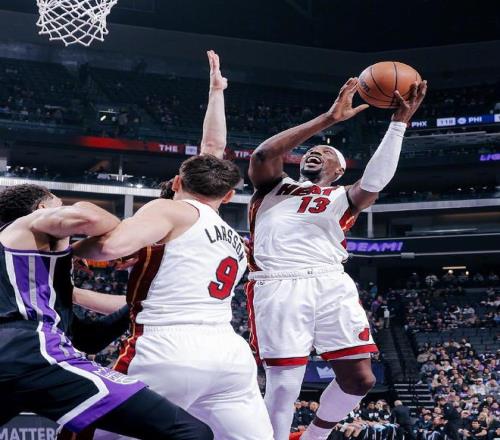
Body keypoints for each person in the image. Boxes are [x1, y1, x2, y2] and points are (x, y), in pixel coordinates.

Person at [75, 51, 274, 440]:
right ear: (228, 195)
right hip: (228, 354)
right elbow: (212, 150)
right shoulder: (233, 237)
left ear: (178, 182)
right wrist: (217, 91)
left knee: (87, 429)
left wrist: (62, 249)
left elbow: (109, 247)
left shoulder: (171, 209)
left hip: (168, 350)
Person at [246, 76, 427, 440]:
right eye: (312, 150)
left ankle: (315, 436)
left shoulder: (343, 196)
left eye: (326, 153)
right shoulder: (273, 186)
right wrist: (329, 118)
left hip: (330, 281)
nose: (316, 152)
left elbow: (374, 183)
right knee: (283, 387)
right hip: (279, 283)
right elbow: (263, 155)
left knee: (361, 379)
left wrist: (398, 124)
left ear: (339, 170)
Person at [0, 184, 213, 439]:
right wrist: (107, 243)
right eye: (60, 203)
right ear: (42, 209)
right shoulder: (28, 224)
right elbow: (89, 218)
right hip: (31, 353)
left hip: (16, 358)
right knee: (191, 432)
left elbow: (88, 339)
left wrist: (140, 302)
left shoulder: (28, 280)